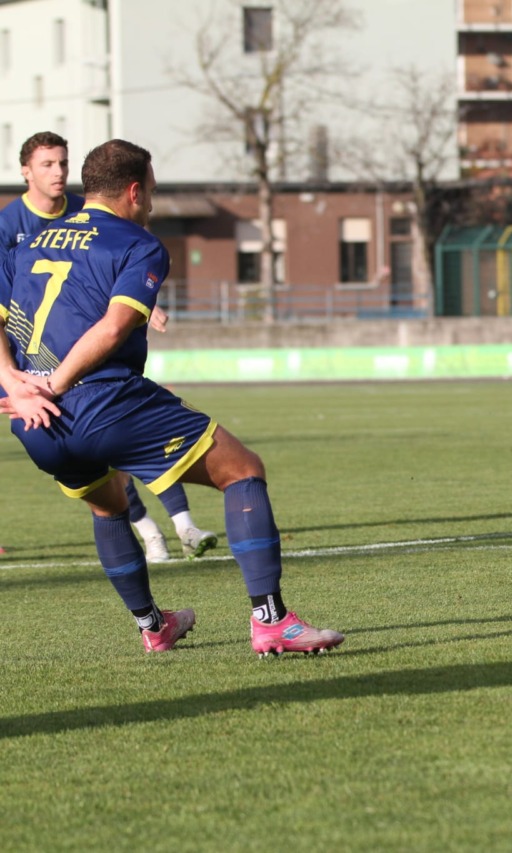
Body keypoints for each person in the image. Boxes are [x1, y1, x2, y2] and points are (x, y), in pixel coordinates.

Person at [0, 139, 343, 656]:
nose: (153, 205)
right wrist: (59, 381)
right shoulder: (139, 243)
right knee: (243, 470)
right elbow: (114, 328)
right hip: (97, 399)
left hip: (36, 422)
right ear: (134, 191)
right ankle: (270, 621)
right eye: (153, 193)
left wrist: (17, 383)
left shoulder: (31, 241)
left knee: (109, 508)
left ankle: (153, 625)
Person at [1, 131, 217, 563]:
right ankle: (155, 531)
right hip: (25, 369)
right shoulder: (8, 227)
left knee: (123, 437)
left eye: (63, 162)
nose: (58, 172)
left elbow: (115, 274)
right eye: (47, 164)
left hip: (84, 359)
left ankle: (176, 528)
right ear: (25, 172)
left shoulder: (89, 213)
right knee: (111, 451)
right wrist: (12, 380)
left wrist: (139, 305)